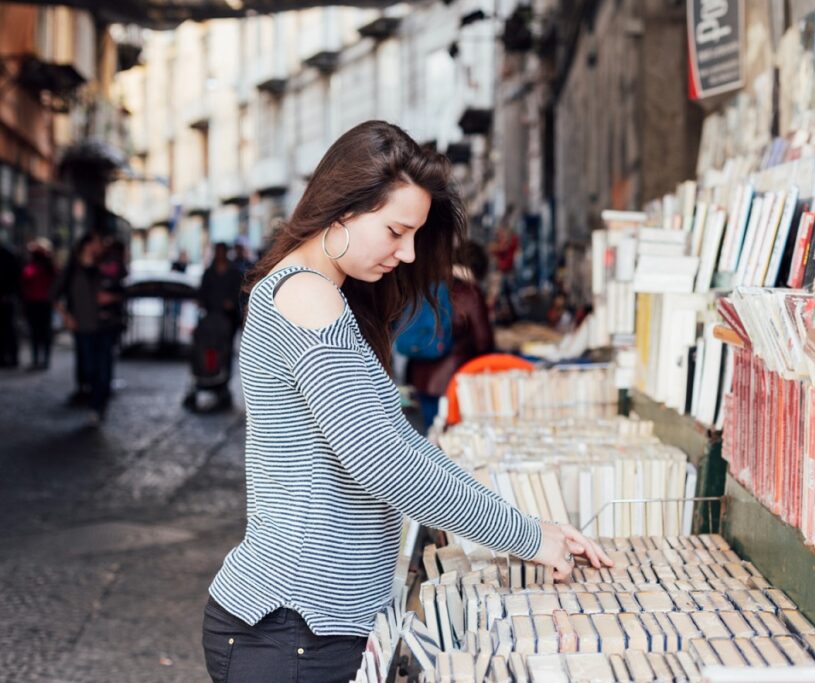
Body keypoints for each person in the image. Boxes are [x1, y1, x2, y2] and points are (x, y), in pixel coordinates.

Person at [202, 121, 611, 683]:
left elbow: (402, 447)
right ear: (344, 209)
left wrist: (531, 524)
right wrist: (527, 536)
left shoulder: (323, 296)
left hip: (303, 631)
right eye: (397, 230)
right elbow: (385, 464)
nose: (408, 252)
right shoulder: (306, 297)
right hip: (289, 628)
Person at [406, 241, 494, 431]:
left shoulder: (430, 282)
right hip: (451, 380)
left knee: (431, 434)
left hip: (420, 376)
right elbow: (483, 341)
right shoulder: (469, 293)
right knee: (450, 439)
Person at [54, 232, 119, 424]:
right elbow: (55, 294)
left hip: (106, 324)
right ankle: (94, 396)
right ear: (87, 245)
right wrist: (67, 317)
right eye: (98, 242)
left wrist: (112, 297)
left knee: (104, 367)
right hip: (83, 325)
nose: (100, 246)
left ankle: (98, 405)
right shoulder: (73, 269)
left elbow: (123, 291)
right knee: (89, 367)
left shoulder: (107, 266)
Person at [21, 239, 56, 370]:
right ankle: (38, 359)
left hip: (41, 302)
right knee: (37, 332)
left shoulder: (46, 267)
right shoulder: (35, 266)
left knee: (42, 332)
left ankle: (42, 360)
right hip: (35, 302)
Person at [198, 242, 244, 337]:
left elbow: (238, 292)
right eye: (217, 251)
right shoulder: (209, 273)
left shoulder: (234, 273)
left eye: (221, 251)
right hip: (211, 312)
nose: (219, 254)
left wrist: (231, 303)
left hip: (229, 316)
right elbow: (203, 291)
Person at [0, 239, 21, 367]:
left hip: (7, 298)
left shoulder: (8, 255)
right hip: (7, 297)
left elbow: (15, 277)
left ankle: (11, 357)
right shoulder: (8, 254)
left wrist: (8, 294)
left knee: (9, 329)